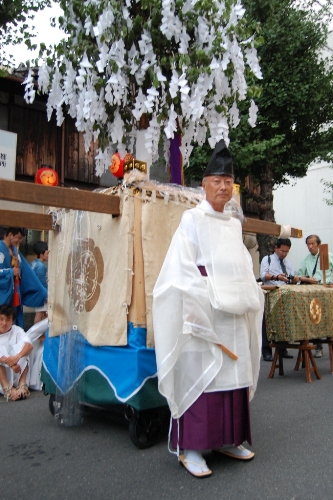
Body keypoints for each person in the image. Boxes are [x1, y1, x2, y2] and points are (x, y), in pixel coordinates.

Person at [153, 140, 264, 478]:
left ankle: (229, 439)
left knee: (235, 376)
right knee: (205, 378)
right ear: (203, 185)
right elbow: (178, 267)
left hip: (234, 310)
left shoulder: (233, 224)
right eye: (216, 180)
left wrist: (250, 291)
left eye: (228, 181)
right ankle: (192, 448)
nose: (223, 186)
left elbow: (243, 265)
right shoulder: (191, 219)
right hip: (206, 309)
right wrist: (201, 296)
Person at [260, 238, 299, 361]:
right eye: (282, 251)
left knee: (283, 322)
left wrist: (294, 280)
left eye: (286, 251)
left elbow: (291, 278)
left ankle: (283, 349)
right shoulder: (267, 259)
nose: (284, 254)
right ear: (276, 248)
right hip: (270, 293)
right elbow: (263, 275)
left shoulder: (288, 263)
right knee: (267, 322)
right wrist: (276, 277)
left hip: (284, 295)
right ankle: (266, 351)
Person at [0, 227, 48, 328]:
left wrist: (42, 292)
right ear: (10, 235)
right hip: (3, 295)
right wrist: (10, 272)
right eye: (19, 238)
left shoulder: (16, 252)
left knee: (13, 322)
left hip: (14, 294)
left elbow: (28, 273)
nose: (20, 241)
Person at [298, 234, 333, 358]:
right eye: (308, 244)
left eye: (313, 244)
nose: (310, 246)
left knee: (328, 317)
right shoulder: (306, 260)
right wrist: (307, 279)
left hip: (327, 291)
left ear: (318, 244)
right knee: (314, 318)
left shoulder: (328, 256)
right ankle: (318, 346)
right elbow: (299, 276)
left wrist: (329, 282)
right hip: (313, 292)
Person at [0, 304, 33, 401]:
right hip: (3, 373)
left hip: (16, 369)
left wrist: (16, 358)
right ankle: (7, 389)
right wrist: (9, 362)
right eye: (1, 319)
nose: (4, 323)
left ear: (13, 321)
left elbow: (29, 345)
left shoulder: (16, 330)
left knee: (24, 348)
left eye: (8, 319)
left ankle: (22, 384)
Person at [30, 241, 49, 324]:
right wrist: (46, 295)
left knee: (41, 313)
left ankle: (40, 333)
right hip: (40, 293)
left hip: (35, 292)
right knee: (40, 313)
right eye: (47, 253)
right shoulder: (41, 266)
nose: (48, 255)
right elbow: (42, 283)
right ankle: (37, 334)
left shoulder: (33, 263)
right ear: (41, 254)